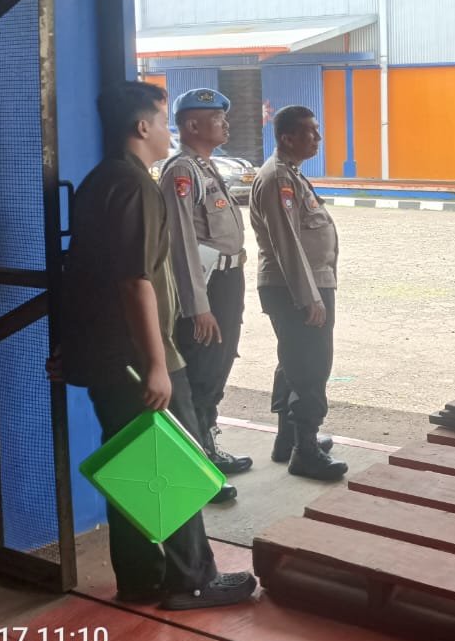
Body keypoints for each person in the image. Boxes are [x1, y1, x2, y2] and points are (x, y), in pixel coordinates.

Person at [55, 80, 255, 610]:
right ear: (142, 126)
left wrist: (71, 347)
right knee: (175, 463)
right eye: (164, 121)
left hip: (105, 356)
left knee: (136, 467)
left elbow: (78, 274)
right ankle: (193, 579)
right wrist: (157, 364)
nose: (167, 132)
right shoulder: (135, 185)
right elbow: (133, 282)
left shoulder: (98, 182)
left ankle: (142, 577)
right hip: (135, 358)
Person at [159, 88, 252, 504]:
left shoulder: (207, 169)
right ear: (192, 125)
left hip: (227, 280)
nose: (225, 123)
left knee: (216, 367)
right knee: (199, 373)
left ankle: (207, 447)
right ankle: (196, 468)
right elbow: (180, 243)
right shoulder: (181, 173)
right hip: (206, 285)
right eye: (216, 118)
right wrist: (199, 306)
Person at [249, 105, 345, 481]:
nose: (317, 139)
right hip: (297, 286)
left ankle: (288, 439)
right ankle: (305, 450)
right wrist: (310, 297)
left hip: (304, 283)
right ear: (287, 137)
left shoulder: (290, 174)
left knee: (293, 360)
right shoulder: (278, 179)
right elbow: (287, 243)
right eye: (310, 132)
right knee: (311, 365)